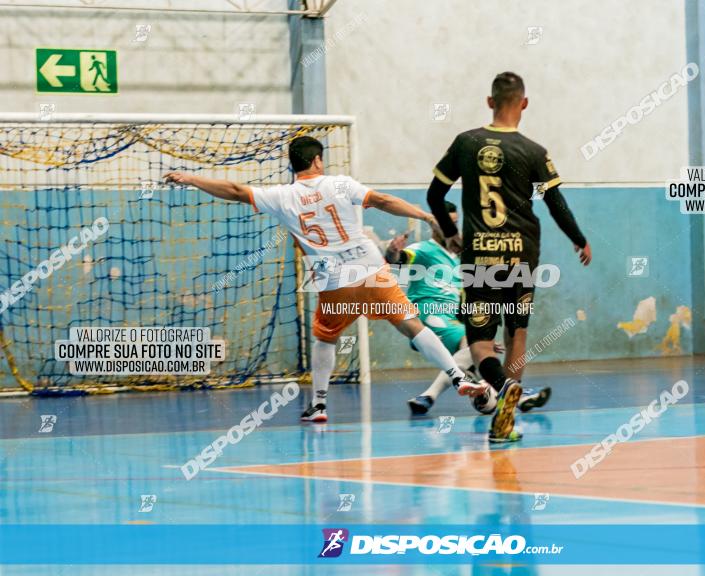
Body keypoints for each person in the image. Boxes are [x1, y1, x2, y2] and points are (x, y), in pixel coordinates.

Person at [164, 136, 488, 423]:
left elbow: (235, 191)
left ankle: (318, 404)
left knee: (326, 338)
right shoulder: (341, 184)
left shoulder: (281, 195)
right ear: (318, 160)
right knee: (412, 325)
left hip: (335, 282)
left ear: (293, 165)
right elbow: (383, 201)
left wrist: (192, 177)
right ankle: (458, 378)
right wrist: (426, 215)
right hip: (373, 271)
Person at [427, 71, 592, 443]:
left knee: (481, 342)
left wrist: (451, 234)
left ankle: (501, 390)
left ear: (489, 102)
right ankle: (508, 412)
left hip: (482, 255)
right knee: (517, 332)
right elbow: (556, 203)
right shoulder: (534, 151)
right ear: (524, 103)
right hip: (522, 254)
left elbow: (435, 195)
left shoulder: (466, 143)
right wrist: (579, 240)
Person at [384, 201, 552, 416]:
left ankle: (455, 395)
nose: (450, 227)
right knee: (475, 348)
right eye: (445, 222)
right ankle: (514, 394)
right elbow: (397, 259)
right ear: (433, 225)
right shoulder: (424, 249)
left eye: (454, 222)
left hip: (452, 319)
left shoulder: (461, 255)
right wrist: (392, 251)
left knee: (480, 352)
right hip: (429, 314)